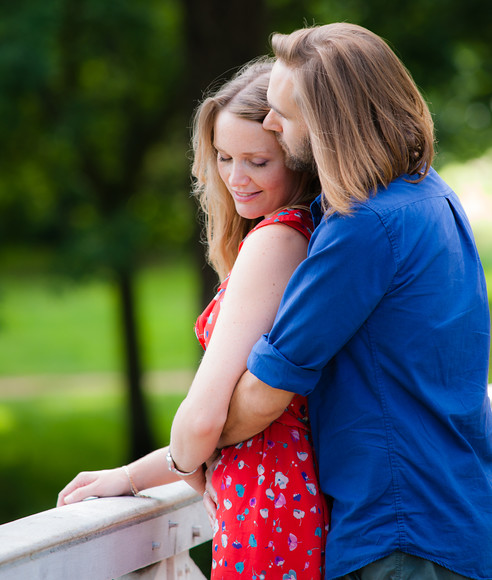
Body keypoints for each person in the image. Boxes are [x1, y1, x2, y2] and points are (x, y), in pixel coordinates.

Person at [213, 23, 492, 580]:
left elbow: (266, 391)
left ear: (326, 124)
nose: (269, 123)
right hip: (451, 516)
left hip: (398, 534)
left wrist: (189, 446)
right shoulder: (428, 192)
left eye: (282, 115)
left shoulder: (363, 228)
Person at [57, 59, 329, 579]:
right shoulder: (311, 232)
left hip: (269, 508)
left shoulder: (276, 240)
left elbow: (205, 419)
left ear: (298, 158)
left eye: (257, 161)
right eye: (225, 157)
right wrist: (139, 474)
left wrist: (179, 468)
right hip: (280, 499)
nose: (235, 178)